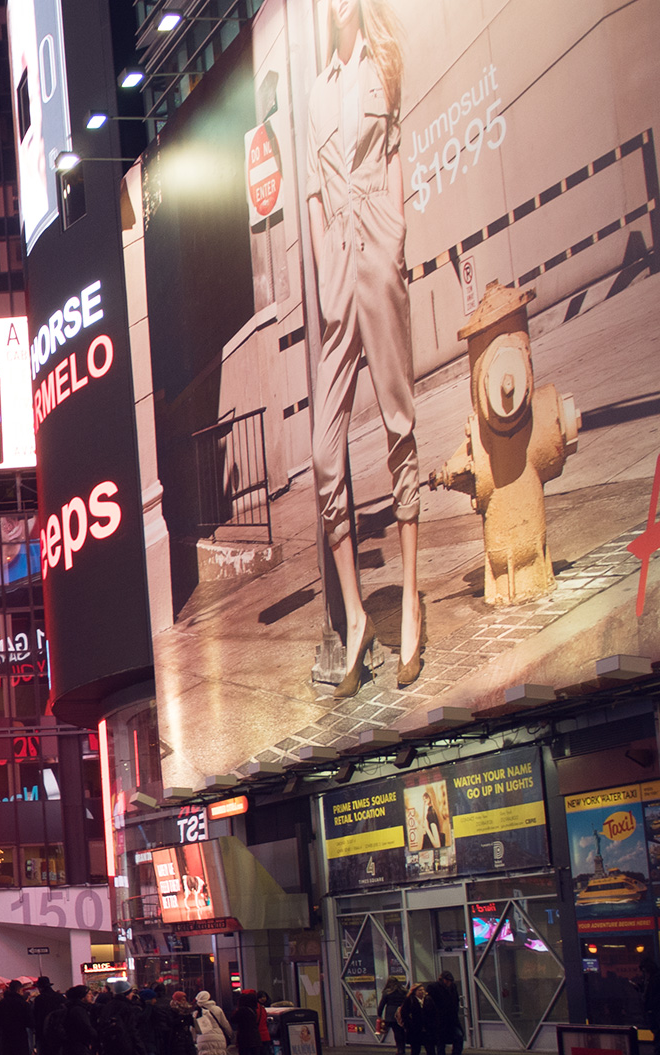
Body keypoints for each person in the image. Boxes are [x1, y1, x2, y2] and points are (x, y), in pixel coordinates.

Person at [309, 0, 423, 696]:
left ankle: (410, 596)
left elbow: (397, 150)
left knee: (398, 423)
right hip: (337, 278)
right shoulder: (318, 89)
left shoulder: (383, 60)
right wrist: (326, 268)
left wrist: (398, 237)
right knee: (325, 453)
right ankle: (356, 615)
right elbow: (317, 194)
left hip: (378, 254)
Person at [398, 983, 445, 1055]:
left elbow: (434, 1013)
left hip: (428, 1029)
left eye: (423, 989)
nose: (422, 992)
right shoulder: (410, 1000)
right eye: (419, 990)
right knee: (415, 1049)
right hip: (415, 1030)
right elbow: (404, 1015)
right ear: (414, 992)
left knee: (431, 1048)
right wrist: (409, 1026)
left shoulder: (428, 1000)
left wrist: (435, 1025)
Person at [191, 990, 232, 1055]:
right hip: (218, 1037)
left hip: (204, 1038)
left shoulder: (196, 1012)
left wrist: (193, 1039)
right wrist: (230, 1033)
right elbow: (225, 1023)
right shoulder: (217, 1009)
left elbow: (193, 1028)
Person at [427, 972, 464, 1055]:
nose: (449, 983)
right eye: (447, 980)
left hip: (451, 1019)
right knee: (441, 1042)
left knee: (459, 1037)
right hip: (439, 1019)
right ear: (442, 979)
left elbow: (455, 1000)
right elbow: (430, 1003)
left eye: (450, 981)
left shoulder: (452, 987)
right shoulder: (433, 987)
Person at [380, 977, 409, 1055]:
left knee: (396, 1032)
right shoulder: (403, 991)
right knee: (402, 1030)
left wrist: (379, 1014)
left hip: (391, 1014)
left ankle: (400, 1048)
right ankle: (403, 1047)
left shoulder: (387, 992)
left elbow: (382, 1004)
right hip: (402, 1012)